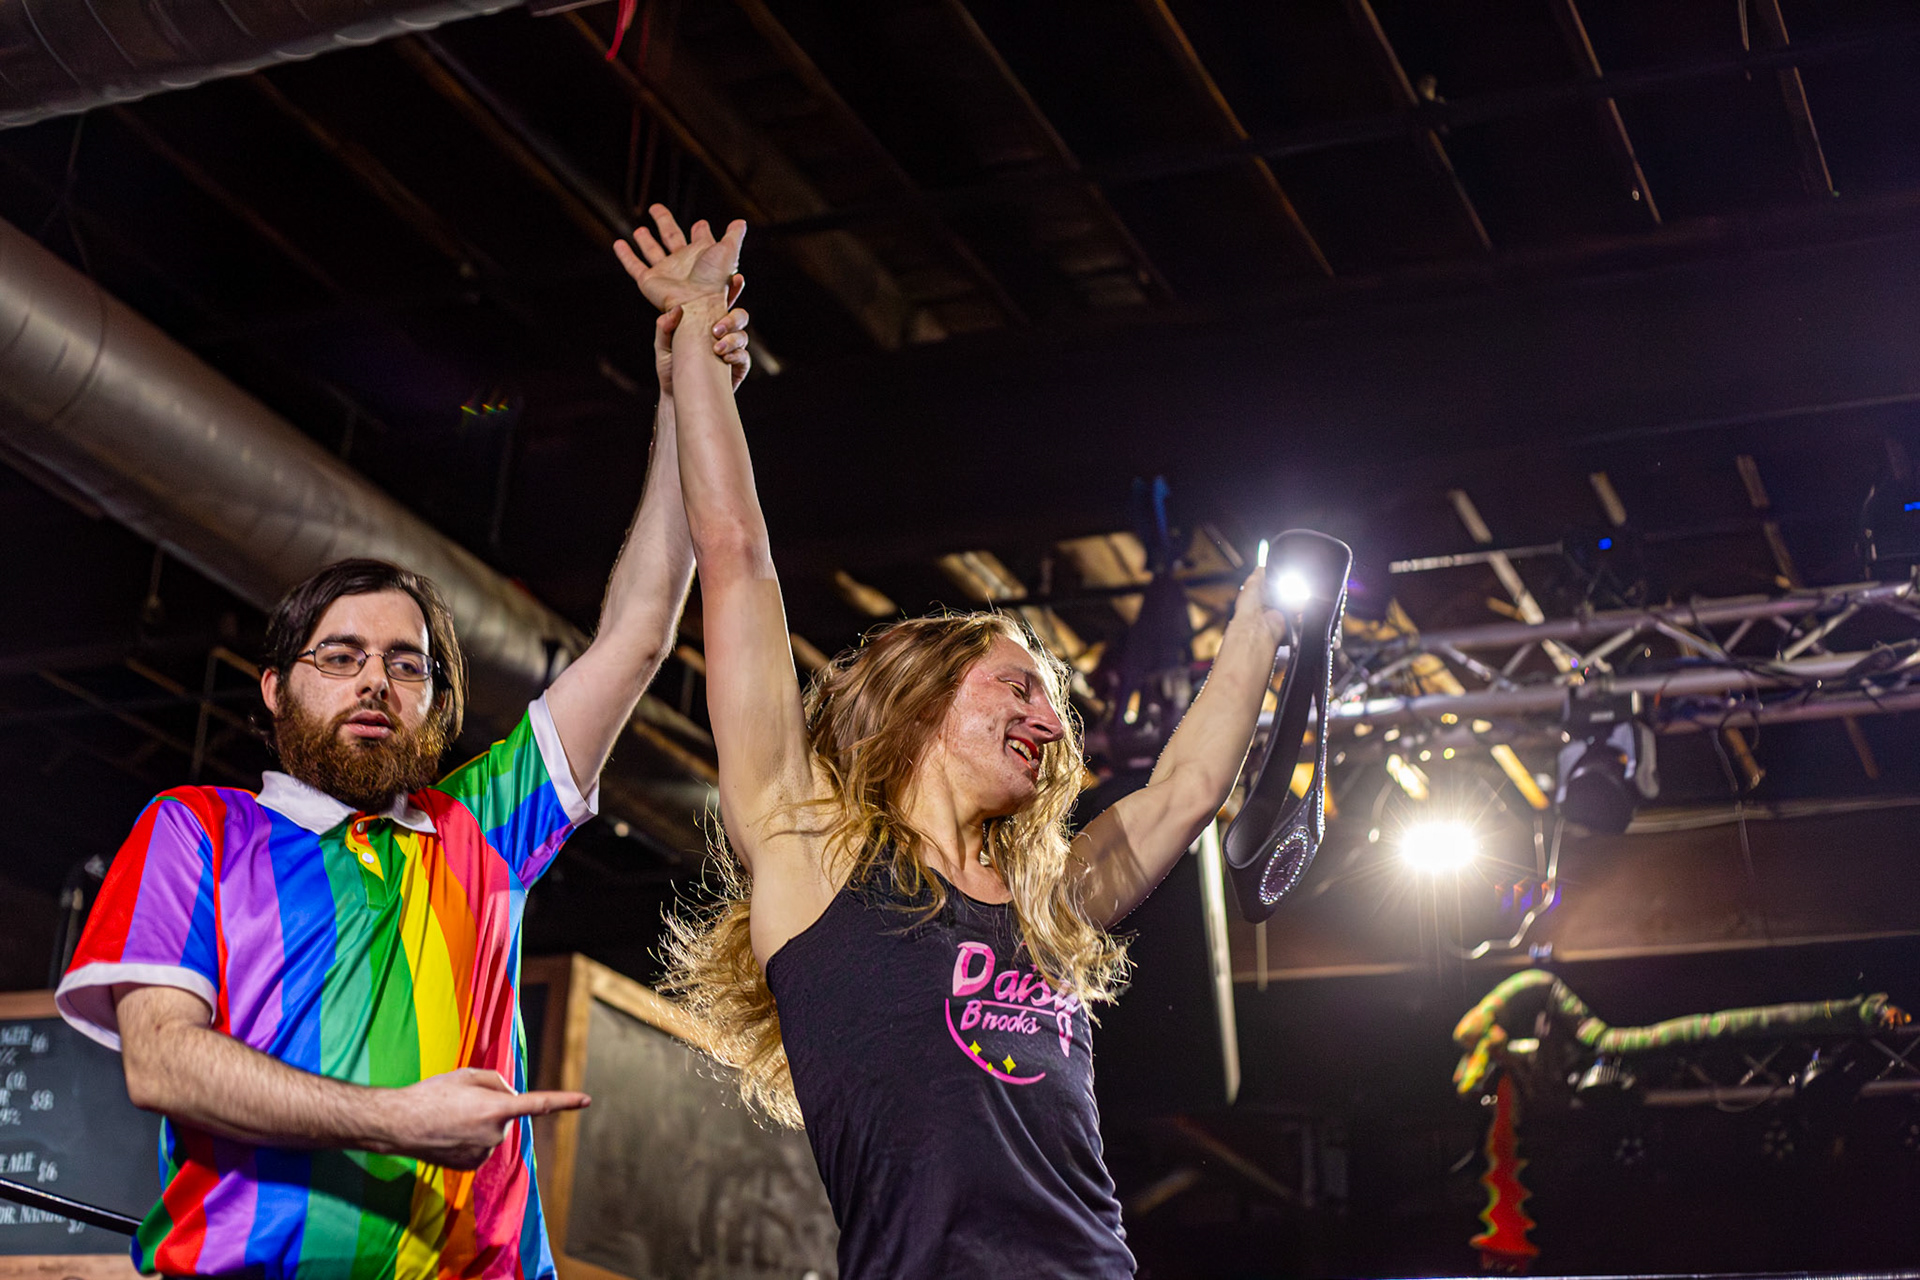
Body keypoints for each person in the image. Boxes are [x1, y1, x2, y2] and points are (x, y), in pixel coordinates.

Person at [53, 243, 755, 1280]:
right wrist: (399, 1118)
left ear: (435, 700)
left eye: (406, 663)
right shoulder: (195, 830)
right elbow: (162, 1060)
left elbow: (638, 634)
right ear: (275, 688)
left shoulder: (485, 824)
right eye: (339, 657)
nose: (375, 681)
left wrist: (684, 388)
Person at [621, 206, 1290, 1279]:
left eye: (1051, 707)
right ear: (923, 701)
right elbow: (736, 556)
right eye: (1017, 688)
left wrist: (1261, 618)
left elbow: (1186, 787)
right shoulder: (813, 858)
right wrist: (699, 343)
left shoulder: (1049, 902)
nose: (1047, 721)